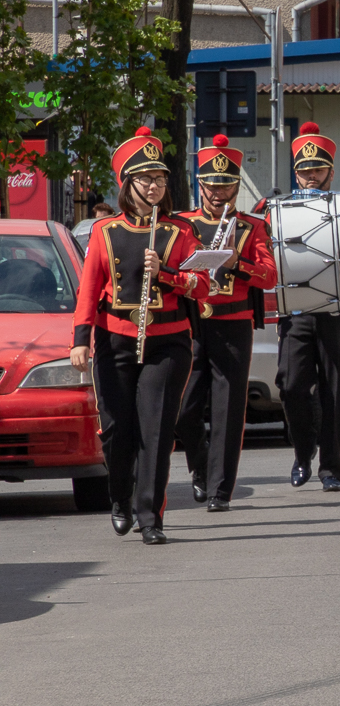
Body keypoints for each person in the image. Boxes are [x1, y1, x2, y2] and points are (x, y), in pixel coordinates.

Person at [69, 127, 209, 544]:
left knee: (156, 430)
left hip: (167, 341)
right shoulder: (104, 231)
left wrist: (167, 275)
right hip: (114, 340)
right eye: (146, 179)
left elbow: (203, 285)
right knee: (116, 430)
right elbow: (89, 289)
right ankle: (119, 497)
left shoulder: (180, 231)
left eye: (160, 179)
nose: (154, 186)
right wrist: (80, 339)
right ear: (127, 184)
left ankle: (151, 517)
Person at [273, 122, 340, 493]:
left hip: (339, 311)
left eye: (318, 170)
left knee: (336, 391)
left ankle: (331, 466)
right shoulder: (280, 209)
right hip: (297, 311)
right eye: (305, 171)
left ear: (331, 172)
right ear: (296, 174)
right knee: (290, 385)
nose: (311, 177)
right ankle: (303, 453)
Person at [176, 135, 277, 512]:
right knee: (183, 409)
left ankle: (220, 490)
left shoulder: (251, 227)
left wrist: (238, 262)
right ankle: (201, 466)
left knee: (228, 410)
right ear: (199, 185)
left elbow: (269, 275)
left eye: (226, 186)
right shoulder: (183, 225)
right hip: (190, 324)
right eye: (212, 186)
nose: (218, 193)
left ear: (236, 186)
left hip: (233, 324)